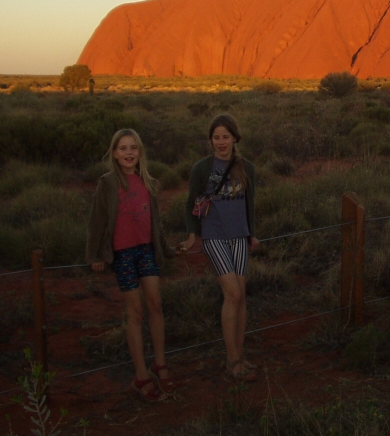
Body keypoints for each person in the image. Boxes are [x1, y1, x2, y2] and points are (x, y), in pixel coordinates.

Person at [86, 129, 177, 402]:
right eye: (123, 148)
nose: (129, 152)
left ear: (140, 152)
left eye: (133, 147)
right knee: (135, 312)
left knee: (155, 304)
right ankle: (141, 375)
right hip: (123, 254)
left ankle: (160, 364)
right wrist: (95, 255)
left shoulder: (147, 181)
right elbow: (97, 219)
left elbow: (156, 221)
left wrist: (166, 249)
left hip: (146, 250)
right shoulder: (107, 183)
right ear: (114, 153)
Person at [180, 114, 260, 381]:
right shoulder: (202, 168)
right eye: (216, 137)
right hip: (213, 236)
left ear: (235, 138)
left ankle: (239, 355)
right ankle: (232, 360)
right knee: (233, 294)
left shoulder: (246, 167)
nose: (221, 142)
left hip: (240, 235)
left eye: (226, 136)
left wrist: (252, 234)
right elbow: (191, 202)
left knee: (241, 296)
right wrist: (192, 235)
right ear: (211, 140)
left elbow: (250, 203)